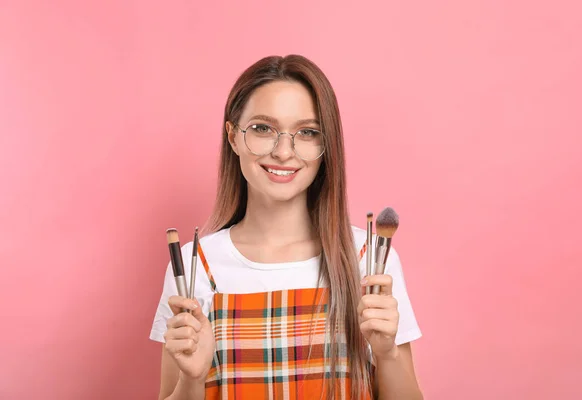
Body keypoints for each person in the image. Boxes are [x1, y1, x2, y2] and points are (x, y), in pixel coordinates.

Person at [149, 55, 423, 400]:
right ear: (233, 136)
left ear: (327, 146)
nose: (283, 151)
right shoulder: (194, 266)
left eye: (307, 132)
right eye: (263, 128)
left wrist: (387, 353)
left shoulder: (368, 261)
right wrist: (192, 379)